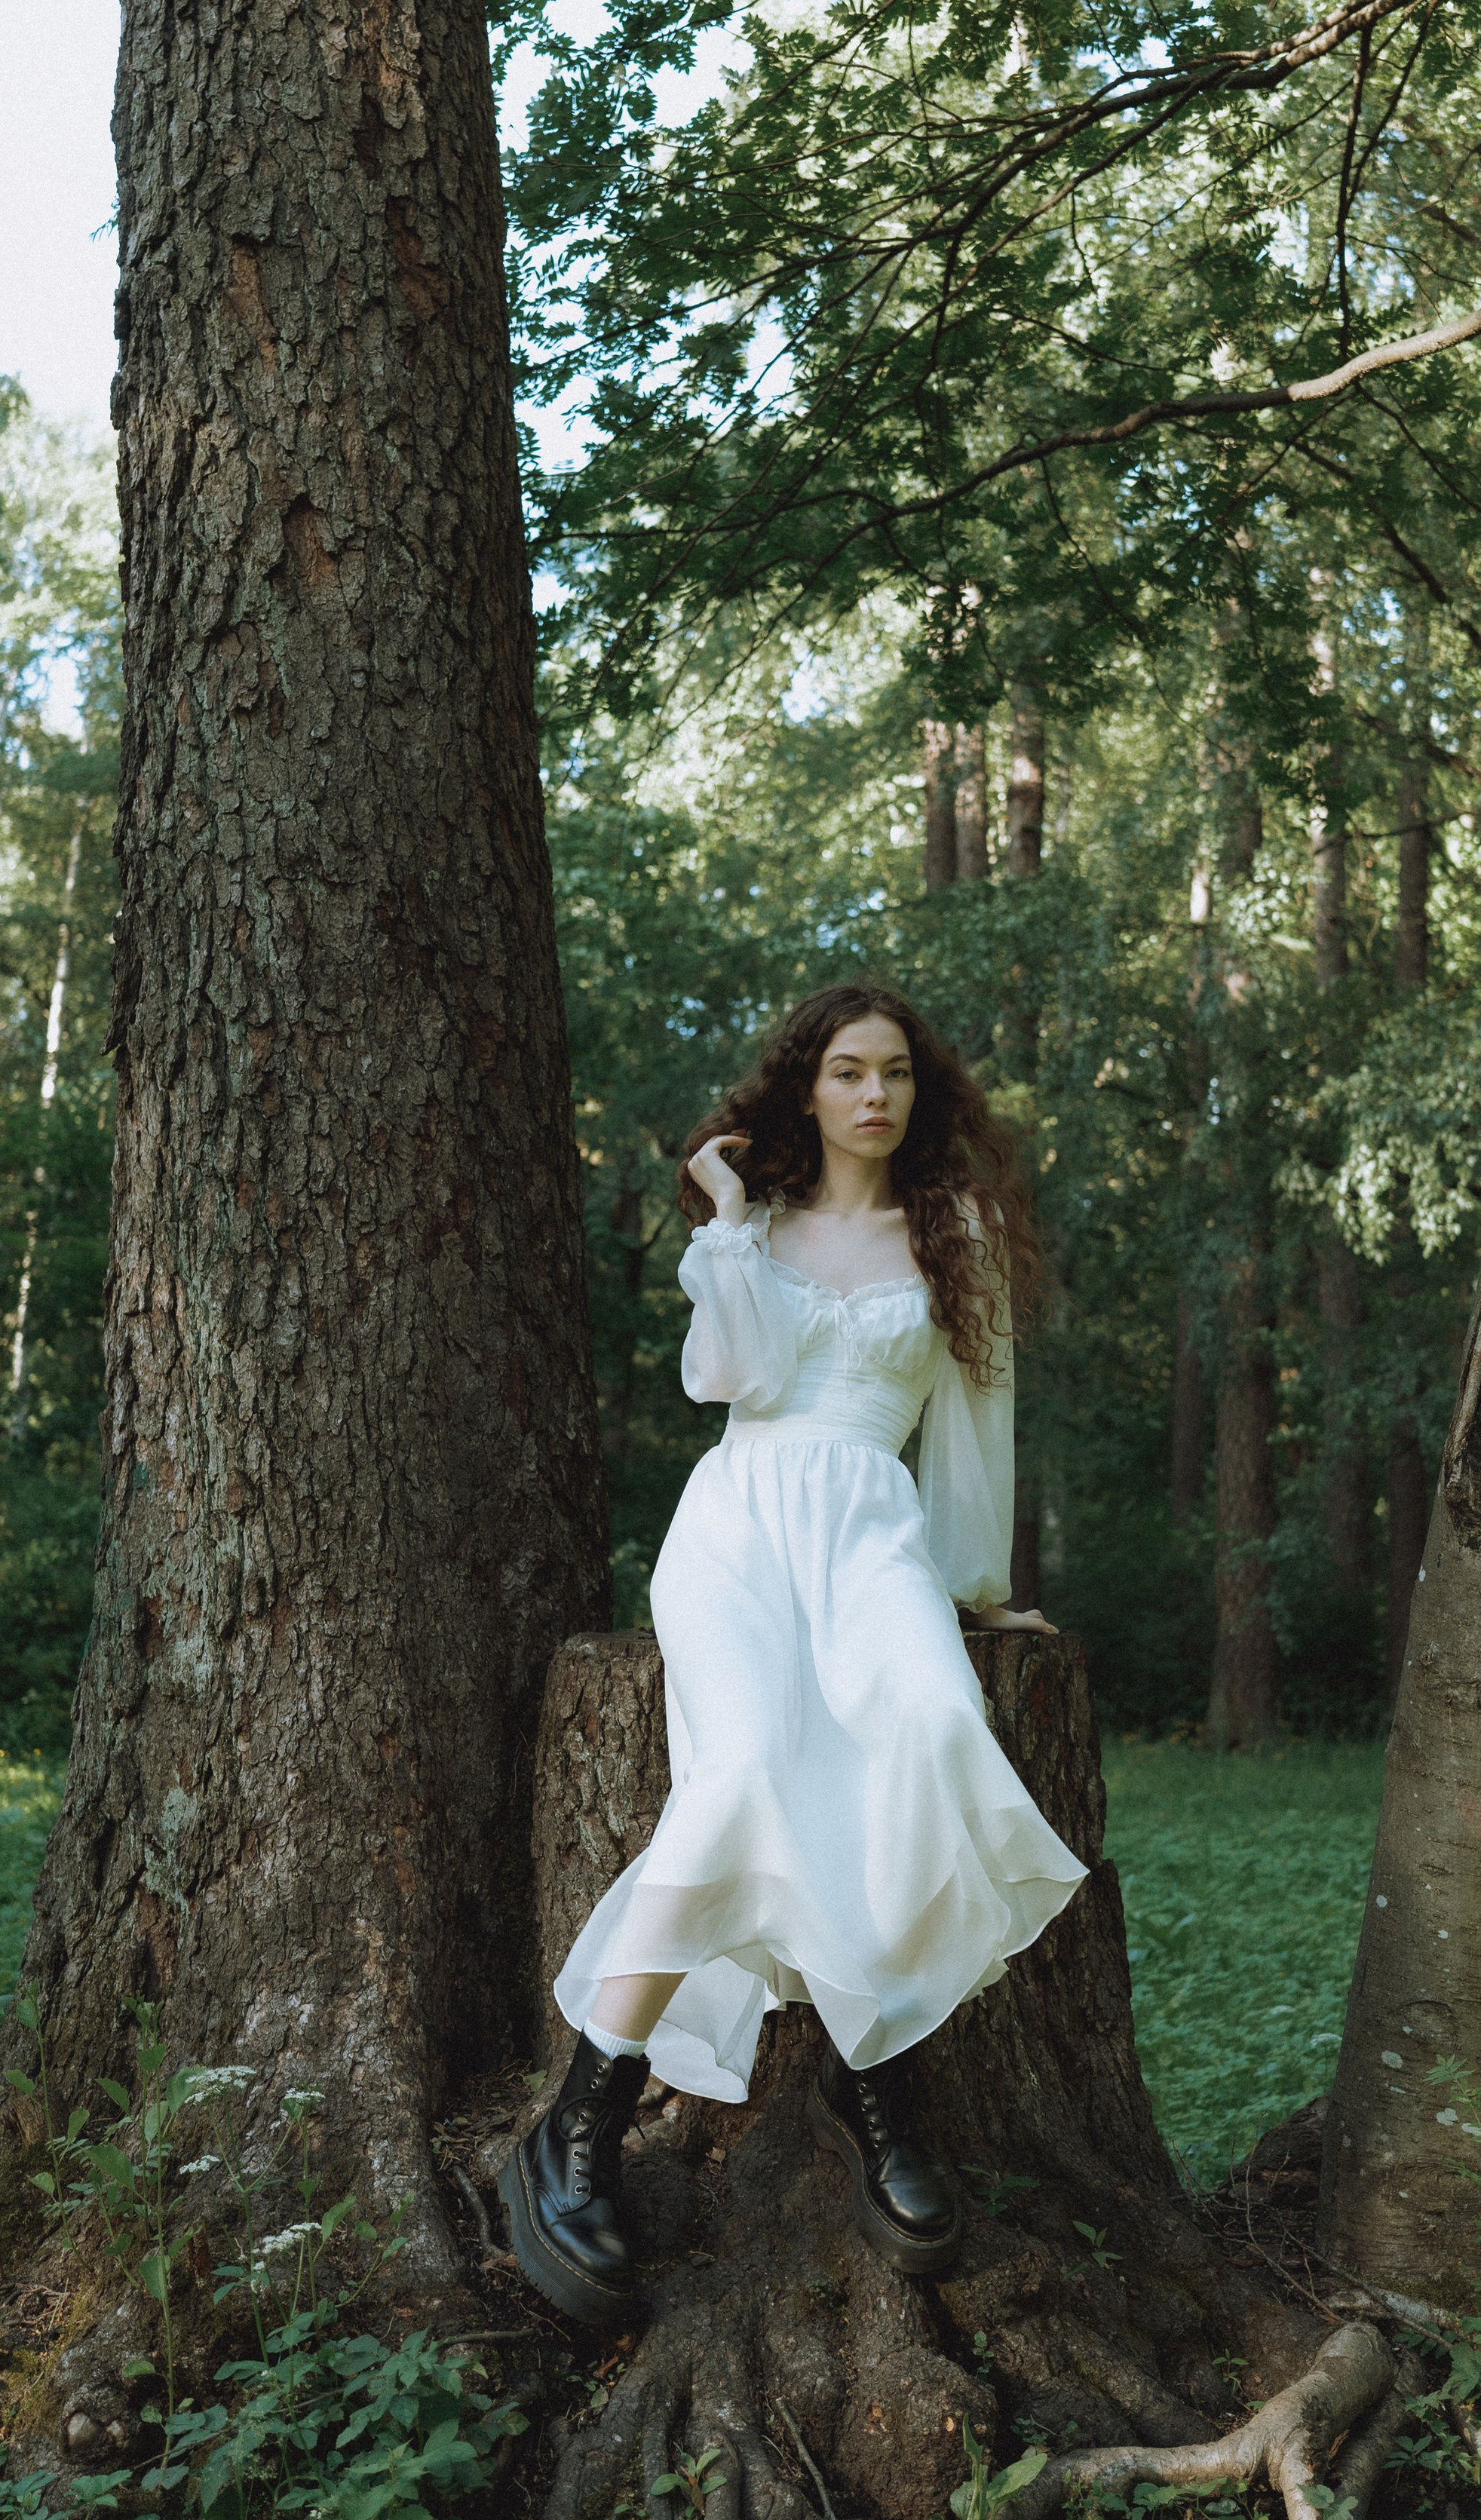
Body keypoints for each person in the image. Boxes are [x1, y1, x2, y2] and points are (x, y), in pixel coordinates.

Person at [504, 984, 1087, 2325]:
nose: (875, 1094)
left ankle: (871, 2059)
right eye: (847, 1071)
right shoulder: (754, 1227)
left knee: (934, 1729)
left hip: (872, 1532)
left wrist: (979, 1590)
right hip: (738, 1528)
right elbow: (730, 1382)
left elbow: (975, 1427)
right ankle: (580, 2122)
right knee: (747, 1774)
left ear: (920, 1093)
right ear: (807, 1090)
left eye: (896, 1072)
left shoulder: (957, 1232)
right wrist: (722, 1216)